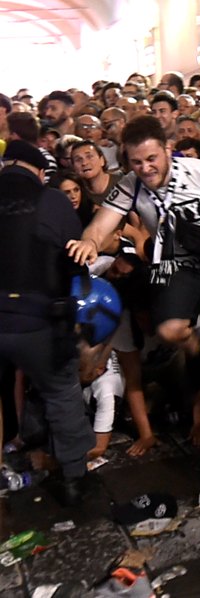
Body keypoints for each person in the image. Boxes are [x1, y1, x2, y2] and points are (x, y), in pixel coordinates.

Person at [67, 116, 200, 445]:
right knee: (169, 330)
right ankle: (196, 347)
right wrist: (89, 242)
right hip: (177, 266)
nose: (146, 168)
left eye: (151, 159)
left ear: (167, 149)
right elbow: (102, 224)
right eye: (136, 162)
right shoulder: (130, 185)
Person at [1, 141, 95, 505]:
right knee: (61, 393)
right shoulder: (52, 200)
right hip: (37, 322)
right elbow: (75, 258)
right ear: (40, 171)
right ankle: (74, 478)